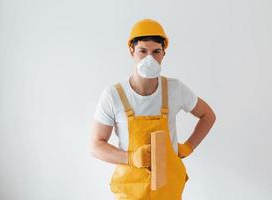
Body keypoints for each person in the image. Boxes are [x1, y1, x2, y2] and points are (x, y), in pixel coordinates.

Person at [90, 18, 216, 200]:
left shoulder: (175, 89)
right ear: (131, 51)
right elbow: (95, 145)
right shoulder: (114, 95)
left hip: (168, 189)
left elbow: (208, 115)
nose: (150, 58)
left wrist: (189, 146)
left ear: (164, 53)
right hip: (130, 190)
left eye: (156, 51)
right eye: (143, 51)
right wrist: (131, 158)